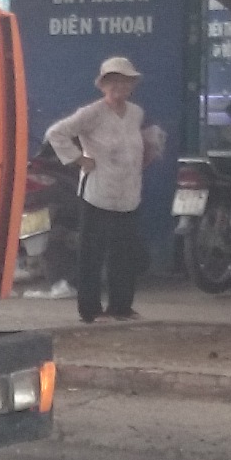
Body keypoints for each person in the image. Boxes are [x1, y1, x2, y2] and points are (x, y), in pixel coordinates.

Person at [42, 55, 169, 321]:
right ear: (103, 85)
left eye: (124, 82)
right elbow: (57, 133)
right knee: (92, 253)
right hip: (98, 192)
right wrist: (79, 159)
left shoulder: (135, 113)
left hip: (128, 192)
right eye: (113, 82)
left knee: (124, 253)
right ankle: (90, 309)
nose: (119, 88)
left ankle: (121, 306)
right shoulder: (92, 113)